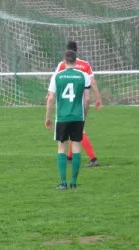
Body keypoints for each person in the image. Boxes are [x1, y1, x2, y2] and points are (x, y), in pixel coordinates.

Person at [45, 50, 91, 190]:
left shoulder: (57, 76)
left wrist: (47, 117)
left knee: (61, 147)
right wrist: (84, 115)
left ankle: (63, 182)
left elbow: (51, 98)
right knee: (76, 147)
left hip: (62, 117)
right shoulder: (84, 75)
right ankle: (74, 182)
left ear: (64, 61)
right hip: (78, 117)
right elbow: (87, 98)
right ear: (76, 61)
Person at [53, 41, 102, 167]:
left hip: (66, 103)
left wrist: (50, 95)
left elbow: (55, 80)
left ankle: (93, 159)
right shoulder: (85, 65)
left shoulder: (63, 65)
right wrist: (98, 98)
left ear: (66, 52)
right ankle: (69, 157)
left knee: (79, 131)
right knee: (74, 129)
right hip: (81, 101)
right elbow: (93, 82)